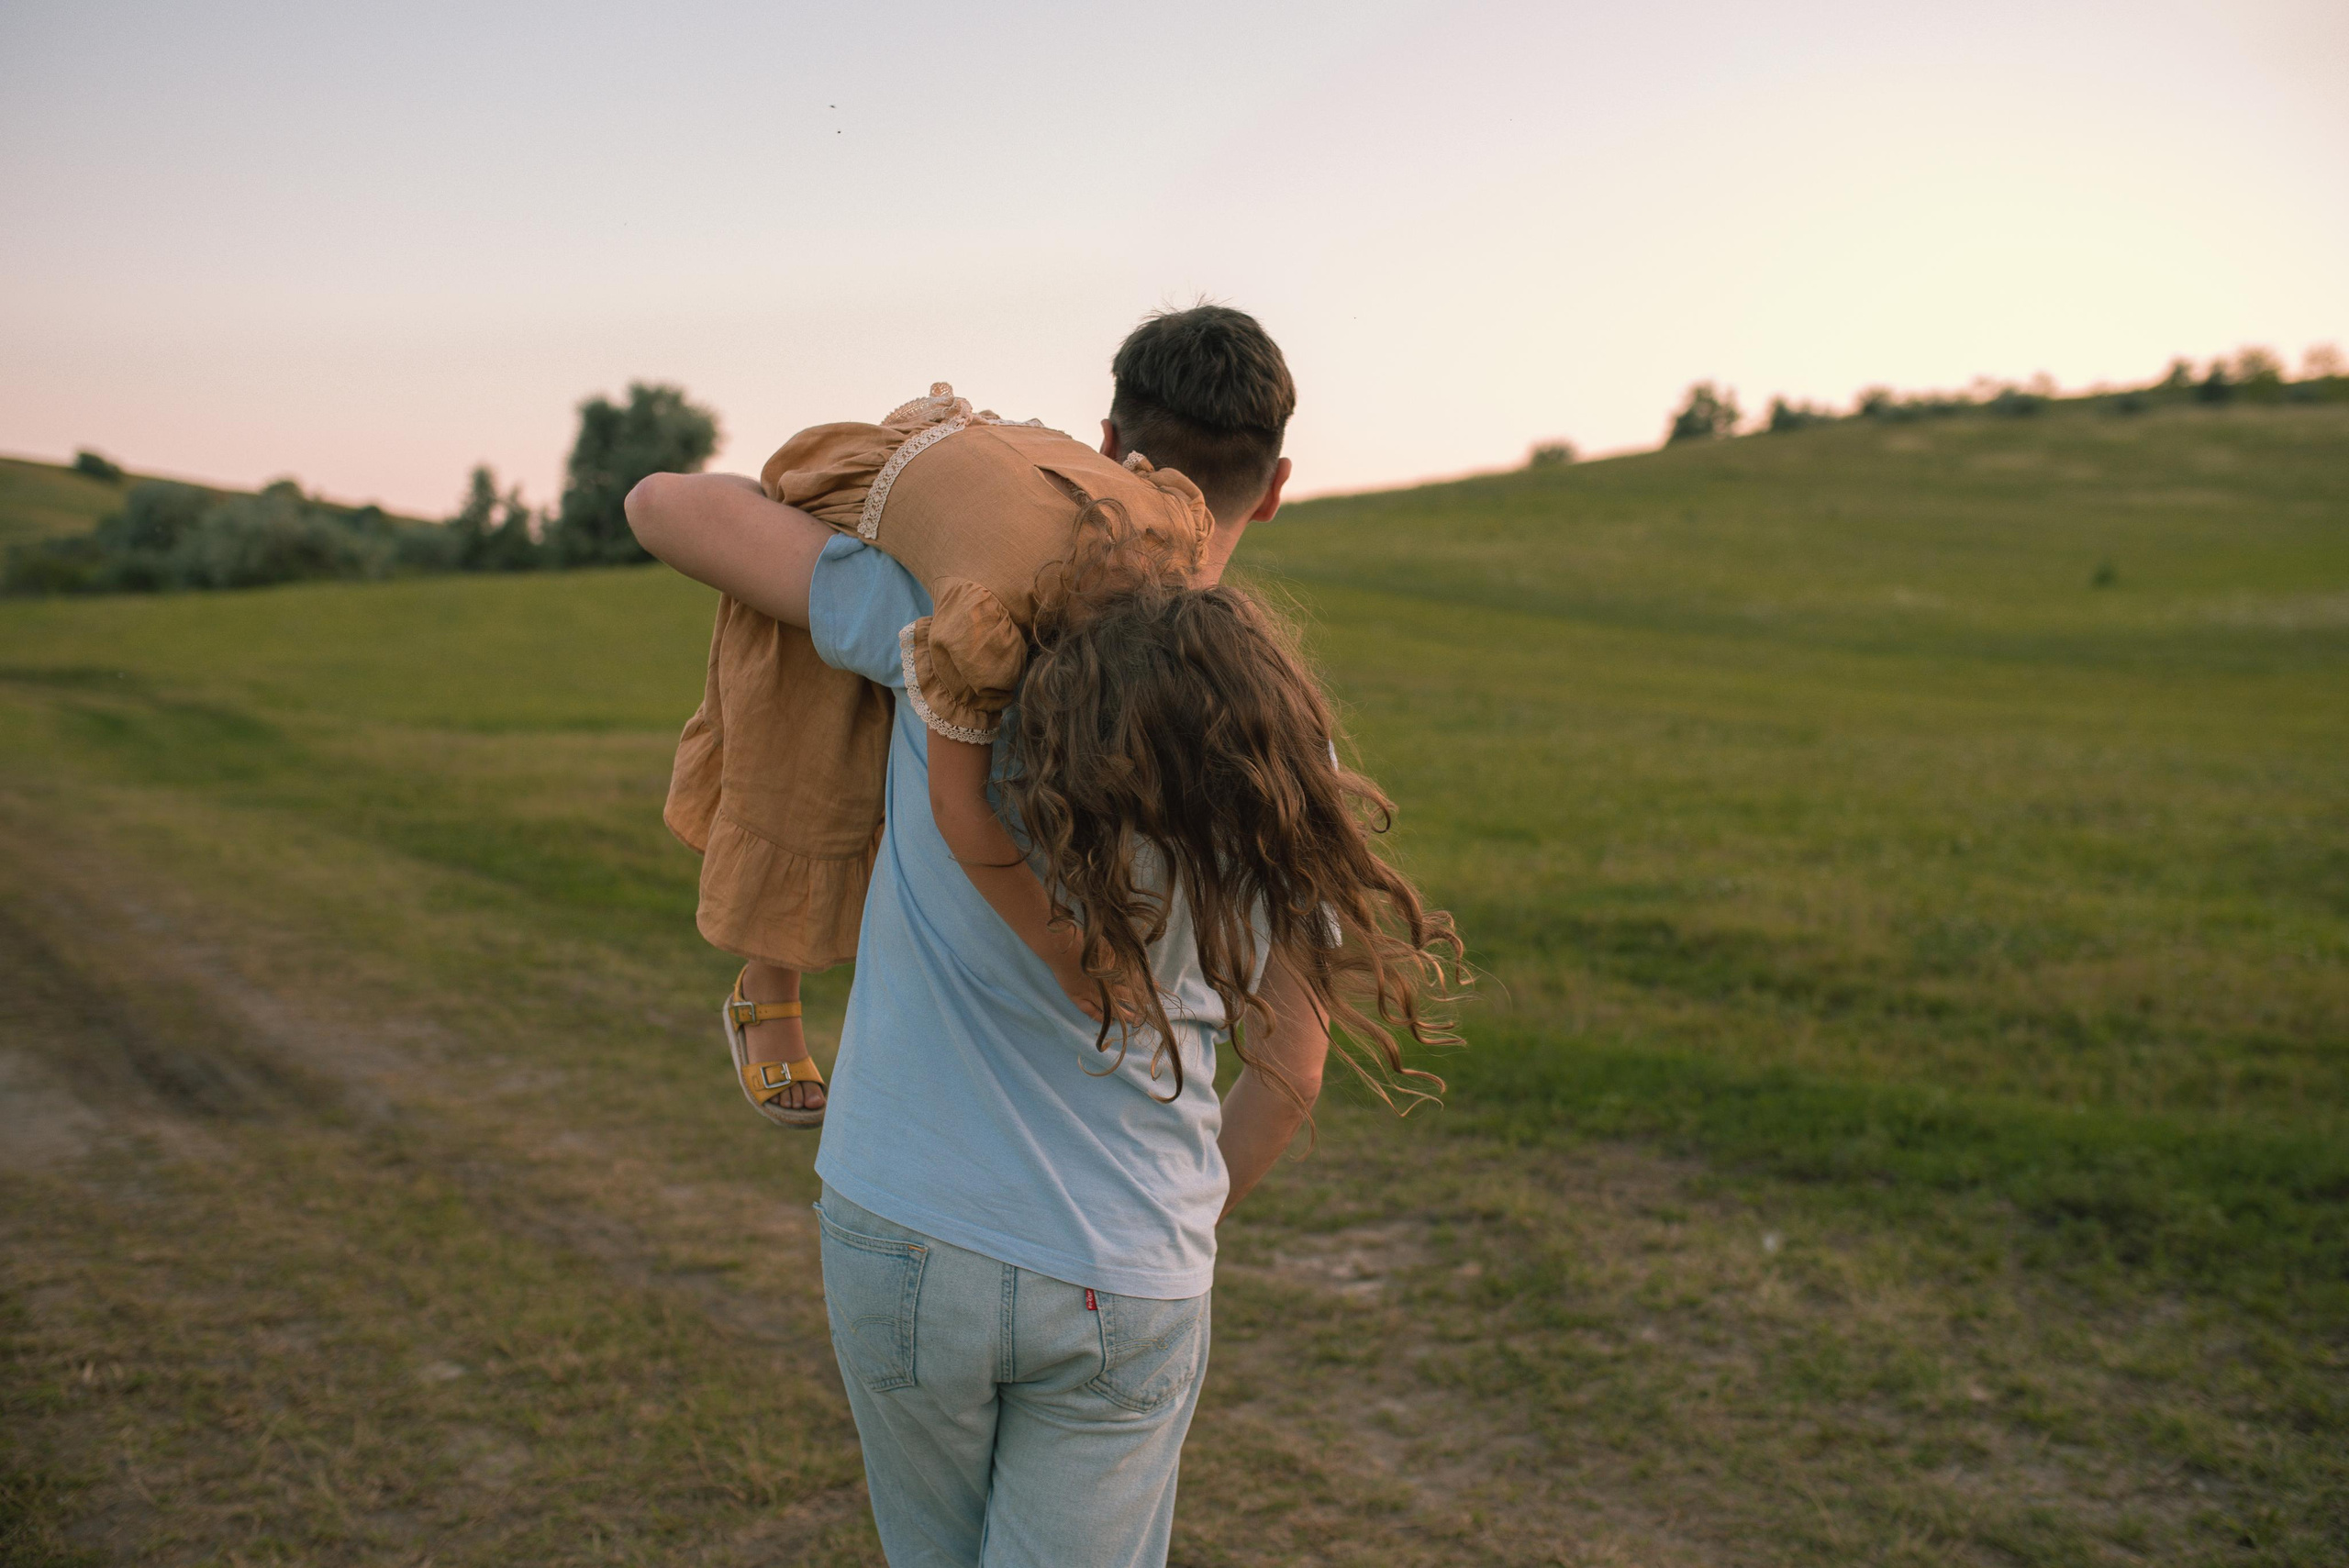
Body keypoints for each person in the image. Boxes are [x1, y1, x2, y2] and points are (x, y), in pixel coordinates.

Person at [626, 306, 1460, 1567]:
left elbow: (667, 507)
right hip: (1129, 1260)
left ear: (1110, 441)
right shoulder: (1292, 750)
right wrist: (1160, 1229)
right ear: (1276, 489)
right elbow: (1290, 1067)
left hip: (900, 1220)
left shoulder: (942, 627)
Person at [661, 380, 1219, 1129]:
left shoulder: (1178, 537)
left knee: (858, 632)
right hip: (871, 476)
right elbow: (961, 809)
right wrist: (1063, 947)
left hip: (1015, 467)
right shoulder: (987, 624)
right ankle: (768, 971)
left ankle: (768, 975)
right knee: (820, 671)